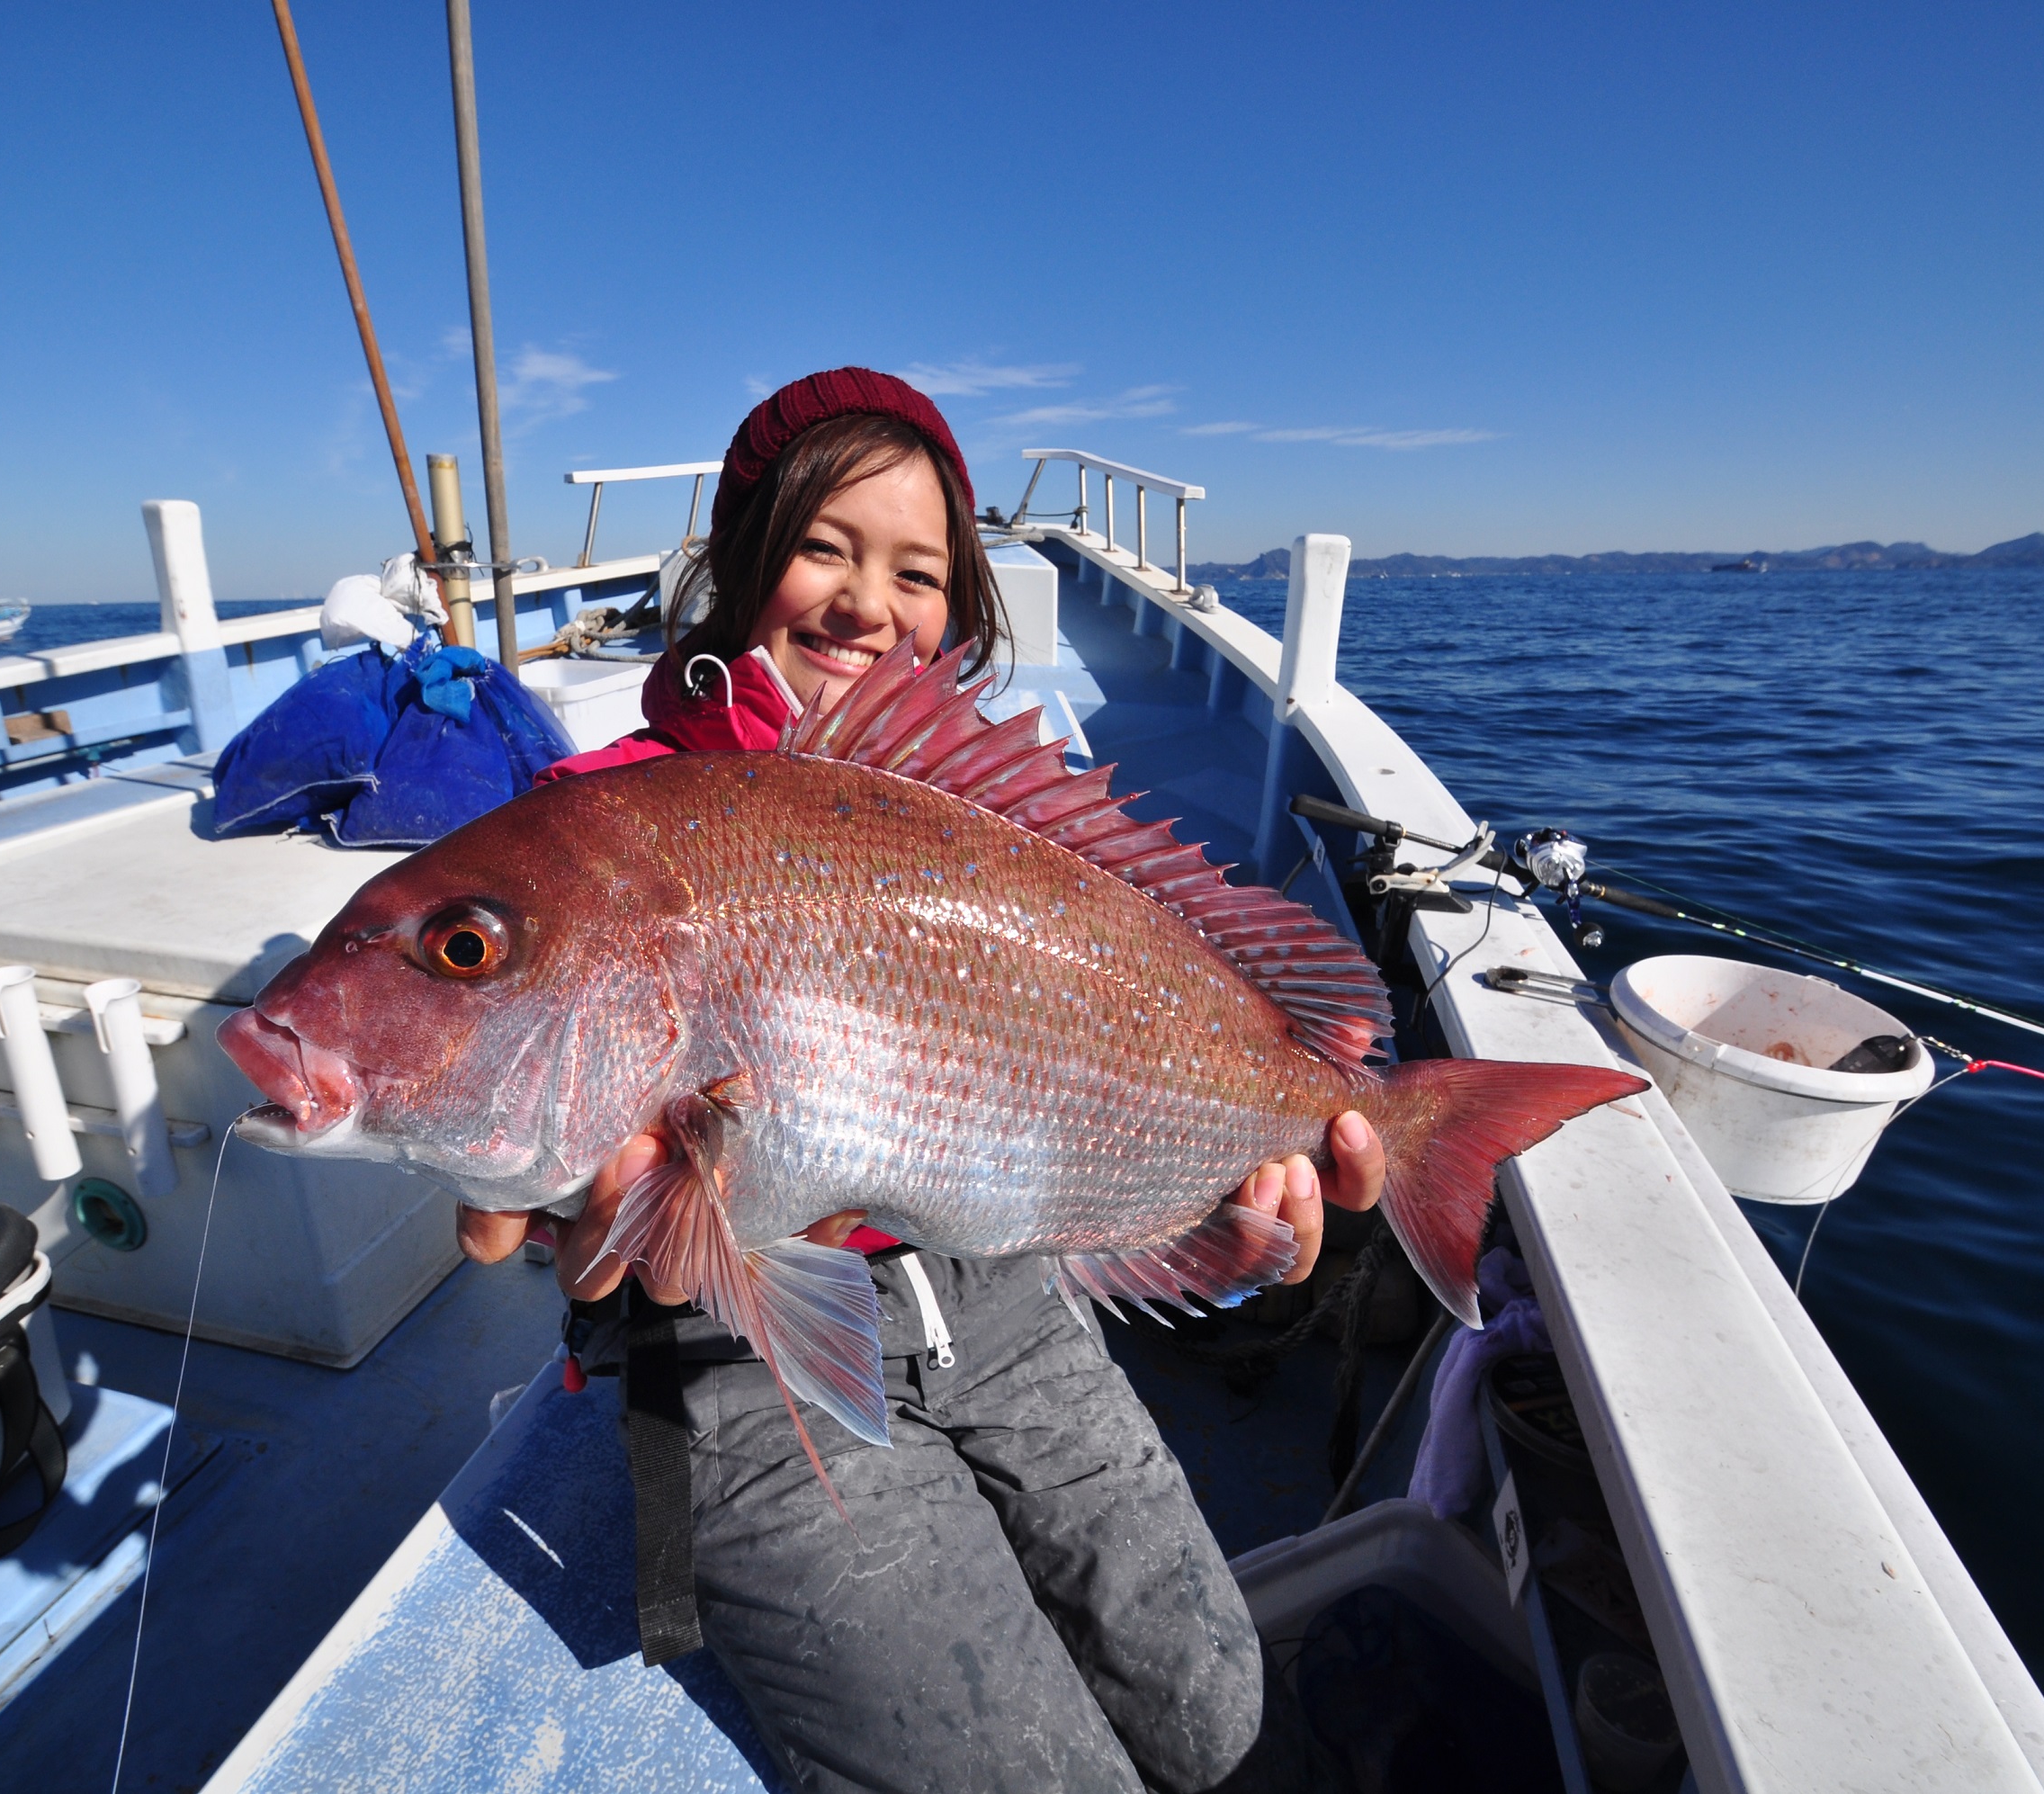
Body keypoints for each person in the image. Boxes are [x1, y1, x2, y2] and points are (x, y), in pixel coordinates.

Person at [453, 368, 1385, 1794]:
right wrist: (551, 1207)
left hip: (1009, 1295)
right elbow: (556, 1156)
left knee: (1215, 1706)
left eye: (918, 569)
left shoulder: (997, 807)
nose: (865, 605)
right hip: (747, 1363)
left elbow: (1097, 1118)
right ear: (745, 552)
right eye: (822, 546)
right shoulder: (604, 823)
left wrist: (1230, 1234)